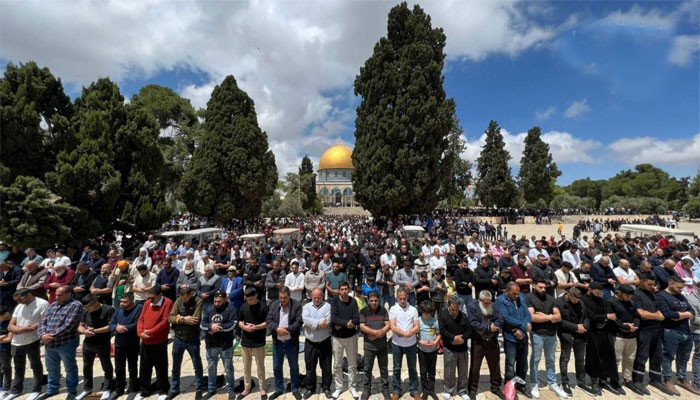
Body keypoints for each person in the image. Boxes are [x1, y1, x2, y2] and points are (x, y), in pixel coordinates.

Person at [37, 285, 83, 400]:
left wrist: (51, 336)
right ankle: (52, 389)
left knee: (69, 367)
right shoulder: (52, 305)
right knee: (51, 368)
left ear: (69, 294)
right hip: (49, 343)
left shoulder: (75, 305)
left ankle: (72, 390)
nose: (56, 297)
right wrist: (42, 335)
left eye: (60, 295)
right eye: (56, 294)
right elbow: (42, 322)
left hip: (66, 343)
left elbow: (69, 325)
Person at [526, 279, 568, 398]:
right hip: (537, 333)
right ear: (534, 286)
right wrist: (551, 317)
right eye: (540, 287)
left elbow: (558, 317)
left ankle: (552, 382)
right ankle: (534, 382)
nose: (543, 289)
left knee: (551, 359)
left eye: (544, 287)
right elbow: (532, 317)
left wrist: (545, 316)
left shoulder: (550, 298)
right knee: (536, 359)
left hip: (551, 334)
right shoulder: (529, 298)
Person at [657, 275, 698, 395]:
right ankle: (668, 379)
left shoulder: (681, 296)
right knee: (668, 356)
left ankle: (682, 378)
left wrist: (680, 315)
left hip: (686, 331)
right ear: (670, 283)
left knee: (684, 357)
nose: (681, 290)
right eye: (679, 287)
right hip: (671, 331)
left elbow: (692, 311)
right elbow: (668, 314)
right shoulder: (662, 296)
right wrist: (685, 315)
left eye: (682, 288)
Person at [5, 288, 47, 400]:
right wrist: (24, 329)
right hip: (16, 342)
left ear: (28, 295)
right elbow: (10, 326)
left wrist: (19, 329)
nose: (19, 302)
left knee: (35, 365)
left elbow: (43, 321)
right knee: (18, 367)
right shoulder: (19, 306)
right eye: (18, 301)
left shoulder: (42, 304)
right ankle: (16, 390)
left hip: (32, 340)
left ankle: (36, 389)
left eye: (21, 299)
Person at [136, 285, 173, 400]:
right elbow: (141, 318)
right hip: (145, 341)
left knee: (160, 367)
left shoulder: (167, 302)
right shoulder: (147, 303)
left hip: (158, 341)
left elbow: (164, 322)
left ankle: (162, 390)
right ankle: (144, 390)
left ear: (160, 295)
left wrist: (150, 332)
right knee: (144, 367)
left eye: (152, 298)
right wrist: (140, 332)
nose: (150, 300)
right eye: (149, 298)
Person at [581, 282, 618, 396]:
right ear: (590, 289)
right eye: (597, 292)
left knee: (607, 355)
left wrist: (605, 317)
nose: (599, 294)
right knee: (594, 357)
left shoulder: (600, 300)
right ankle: (594, 381)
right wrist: (605, 317)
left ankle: (604, 379)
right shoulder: (584, 300)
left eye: (600, 292)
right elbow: (590, 315)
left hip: (603, 331)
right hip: (592, 332)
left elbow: (605, 312)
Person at [495, 282, 531, 397]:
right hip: (510, 336)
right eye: (514, 294)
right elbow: (505, 317)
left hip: (523, 335)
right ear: (507, 291)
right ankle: (509, 388)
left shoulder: (521, 298)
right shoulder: (500, 300)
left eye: (517, 293)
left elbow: (527, 314)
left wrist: (523, 327)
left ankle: (521, 384)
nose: (516, 296)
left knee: (523, 363)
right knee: (510, 364)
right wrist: (522, 325)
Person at [553, 288, 591, 396]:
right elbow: (559, 321)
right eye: (575, 299)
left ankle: (581, 381)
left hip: (580, 333)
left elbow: (586, 317)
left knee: (580, 359)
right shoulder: (558, 302)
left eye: (578, 299)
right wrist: (575, 327)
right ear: (568, 295)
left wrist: (585, 327)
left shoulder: (580, 302)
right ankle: (565, 382)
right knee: (565, 358)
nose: (577, 301)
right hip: (566, 333)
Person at [266, 286, 302, 399]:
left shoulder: (296, 305)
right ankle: (278, 389)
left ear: (289, 296)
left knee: (294, 367)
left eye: (285, 298)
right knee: (277, 367)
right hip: (277, 342)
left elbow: (299, 322)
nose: (282, 300)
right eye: (281, 298)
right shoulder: (274, 305)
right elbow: (269, 320)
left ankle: (295, 388)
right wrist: (277, 329)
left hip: (291, 341)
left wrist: (286, 329)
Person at [168, 286, 204, 399]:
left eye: (186, 299)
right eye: (182, 299)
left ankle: (199, 388)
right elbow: (170, 317)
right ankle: (174, 389)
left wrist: (179, 317)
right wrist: (183, 319)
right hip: (178, 338)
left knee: (197, 364)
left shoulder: (198, 301)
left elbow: (195, 320)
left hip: (192, 338)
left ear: (191, 294)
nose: (184, 301)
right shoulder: (178, 301)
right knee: (176, 365)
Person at [77, 294, 115, 400]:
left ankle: (107, 388)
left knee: (106, 366)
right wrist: (84, 331)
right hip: (88, 343)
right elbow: (80, 325)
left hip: (102, 342)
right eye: (86, 307)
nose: (87, 309)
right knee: (86, 367)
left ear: (96, 302)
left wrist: (95, 331)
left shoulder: (108, 309)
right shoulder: (86, 311)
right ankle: (87, 388)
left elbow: (111, 326)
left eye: (89, 306)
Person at [201, 290, 237, 400]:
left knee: (228, 368)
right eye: (215, 301)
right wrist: (210, 327)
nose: (217, 303)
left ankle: (231, 388)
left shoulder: (230, 308)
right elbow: (203, 323)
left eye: (219, 301)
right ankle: (211, 388)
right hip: (211, 344)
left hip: (225, 344)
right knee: (211, 367)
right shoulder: (209, 308)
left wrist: (218, 327)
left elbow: (233, 324)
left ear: (225, 299)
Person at [467, 291, 503, 399]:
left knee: (495, 366)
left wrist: (495, 326)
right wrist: (488, 327)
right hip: (479, 341)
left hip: (492, 340)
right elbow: (473, 323)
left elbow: (500, 319)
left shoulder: (494, 305)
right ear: (480, 300)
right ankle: (473, 389)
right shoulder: (472, 306)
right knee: (475, 367)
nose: (487, 304)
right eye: (485, 303)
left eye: (489, 302)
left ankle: (496, 387)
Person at [606, 284, 639, 394]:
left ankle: (627, 379)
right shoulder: (611, 302)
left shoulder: (632, 302)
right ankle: (613, 381)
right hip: (618, 335)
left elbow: (636, 316)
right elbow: (612, 320)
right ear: (619, 292)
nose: (629, 298)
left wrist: (634, 326)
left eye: (630, 296)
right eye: (626, 295)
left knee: (630, 359)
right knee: (616, 359)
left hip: (631, 335)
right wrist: (625, 327)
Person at [109, 292, 142, 399]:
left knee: (132, 367)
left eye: (125, 302)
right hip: (119, 343)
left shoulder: (139, 308)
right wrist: (116, 328)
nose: (122, 304)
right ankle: (119, 388)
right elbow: (112, 323)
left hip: (132, 343)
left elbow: (137, 323)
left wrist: (124, 328)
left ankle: (133, 387)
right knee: (119, 368)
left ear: (132, 300)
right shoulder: (118, 310)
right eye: (121, 301)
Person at [237, 287, 268, 399]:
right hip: (245, 340)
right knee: (246, 367)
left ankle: (262, 388)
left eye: (251, 299)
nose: (249, 301)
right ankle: (247, 387)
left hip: (258, 341)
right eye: (247, 299)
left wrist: (256, 327)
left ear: (255, 296)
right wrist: (244, 327)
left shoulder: (263, 306)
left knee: (260, 366)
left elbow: (268, 322)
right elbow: (239, 321)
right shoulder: (244, 306)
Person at [330, 281, 360, 399]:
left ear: (349, 290)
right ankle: (339, 387)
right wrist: (346, 323)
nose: (344, 291)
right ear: (338, 290)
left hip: (351, 337)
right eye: (342, 289)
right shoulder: (335, 301)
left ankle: (352, 386)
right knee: (337, 364)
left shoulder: (353, 301)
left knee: (352, 364)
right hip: (337, 337)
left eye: (346, 289)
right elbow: (333, 317)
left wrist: (343, 323)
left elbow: (356, 318)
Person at [389, 288, 419, 400]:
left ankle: (414, 389)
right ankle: (396, 390)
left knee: (412, 368)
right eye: (400, 298)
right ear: (397, 298)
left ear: (407, 297)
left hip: (411, 344)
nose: (402, 301)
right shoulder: (393, 309)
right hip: (397, 343)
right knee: (396, 368)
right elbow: (392, 326)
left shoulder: (413, 309)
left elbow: (416, 326)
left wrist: (409, 333)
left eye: (404, 298)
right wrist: (404, 333)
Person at [359, 290, 390, 400]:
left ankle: (385, 389)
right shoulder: (363, 311)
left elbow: (388, 325)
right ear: (368, 300)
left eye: (376, 301)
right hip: (369, 347)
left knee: (384, 368)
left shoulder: (383, 310)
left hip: (382, 346)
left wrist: (378, 334)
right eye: (371, 301)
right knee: (367, 369)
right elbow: (362, 326)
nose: (373, 303)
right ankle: (366, 389)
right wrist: (376, 332)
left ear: (379, 300)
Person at [302, 288, 332, 399]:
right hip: (311, 342)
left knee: (327, 366)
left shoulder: (327, 306)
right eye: (314, 297)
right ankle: (310, 388)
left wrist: (312, 325)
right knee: (310, 366)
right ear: (311, 296)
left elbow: (328, 320)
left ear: (322, 296)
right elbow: (305, 319)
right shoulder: (306, 307)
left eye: (318, 297)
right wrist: (319, 324)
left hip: (325, 341)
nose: (316, 299)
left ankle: (327, 387)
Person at [438, 296, 470, 400]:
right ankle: (448, 390)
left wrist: (462, 338)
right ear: (448, 306)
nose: (455, 311)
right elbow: (443, 330)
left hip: (462, 348)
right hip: (449, 347)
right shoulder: (443, 315)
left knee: (463, 371)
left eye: (457, 309)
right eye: (453, 309)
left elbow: (469, 330)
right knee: (449, 370)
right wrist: (453, 338)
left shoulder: (463, 316)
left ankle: (462, 390)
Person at [417, 301, 440, 400]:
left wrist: (435, 342)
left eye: (429, 313)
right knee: (423, 372)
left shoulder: (434, 321)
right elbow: (415, 336)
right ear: (421, 311)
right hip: (422, 350)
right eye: (425, 313)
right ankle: (425, 390)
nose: (427, 315)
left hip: (433, 350)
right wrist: (421, 342)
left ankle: (431, 390)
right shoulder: (418, 321)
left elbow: (439, 334)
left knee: (432, 371)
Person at [686, 281, 700, 393]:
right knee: (698, 357)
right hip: (698, 332)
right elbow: (695, 319)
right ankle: (697, 382)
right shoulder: (691, 299)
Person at [0, 306, 12, 396]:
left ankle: (7, 387)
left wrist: (2, 338)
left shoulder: (9, 322)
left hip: (5, 349)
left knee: (6, 367)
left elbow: (9, 339)